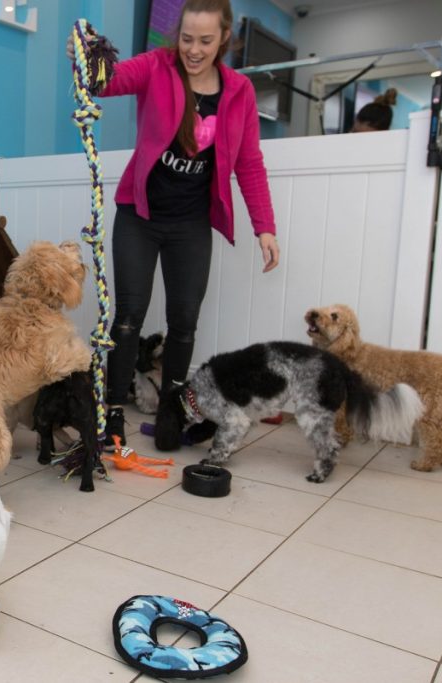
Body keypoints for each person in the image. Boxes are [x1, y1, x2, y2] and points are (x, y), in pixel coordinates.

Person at [67, 0, 280, 451]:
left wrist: (265, 226)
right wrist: (84, 58)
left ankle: (171, 411)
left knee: (184, 322)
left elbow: (249, 162)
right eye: (186, 39)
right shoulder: (157, 66)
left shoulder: (239, 91)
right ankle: (114, 411)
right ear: (176, 36)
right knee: (128, 317)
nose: (193, 50)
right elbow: (107, 82)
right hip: (140, 215)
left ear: (224, 38)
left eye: (205, 40)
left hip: (191, 223)